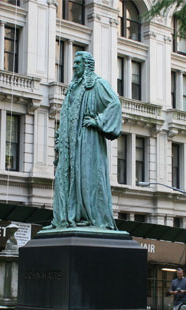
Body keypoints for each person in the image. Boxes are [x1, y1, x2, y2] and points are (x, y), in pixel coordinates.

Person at [44, 51, 122, 231]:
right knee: (64, 177)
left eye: (78, 63)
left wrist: (98, 121)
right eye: (74, 63)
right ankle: (63, 219)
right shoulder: (73, 87)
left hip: (88, 141)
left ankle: (90, 218)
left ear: (87, 65)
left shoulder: (97, 84)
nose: (74, 66)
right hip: (69, 143)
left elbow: (115, 104)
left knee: (87, 178)